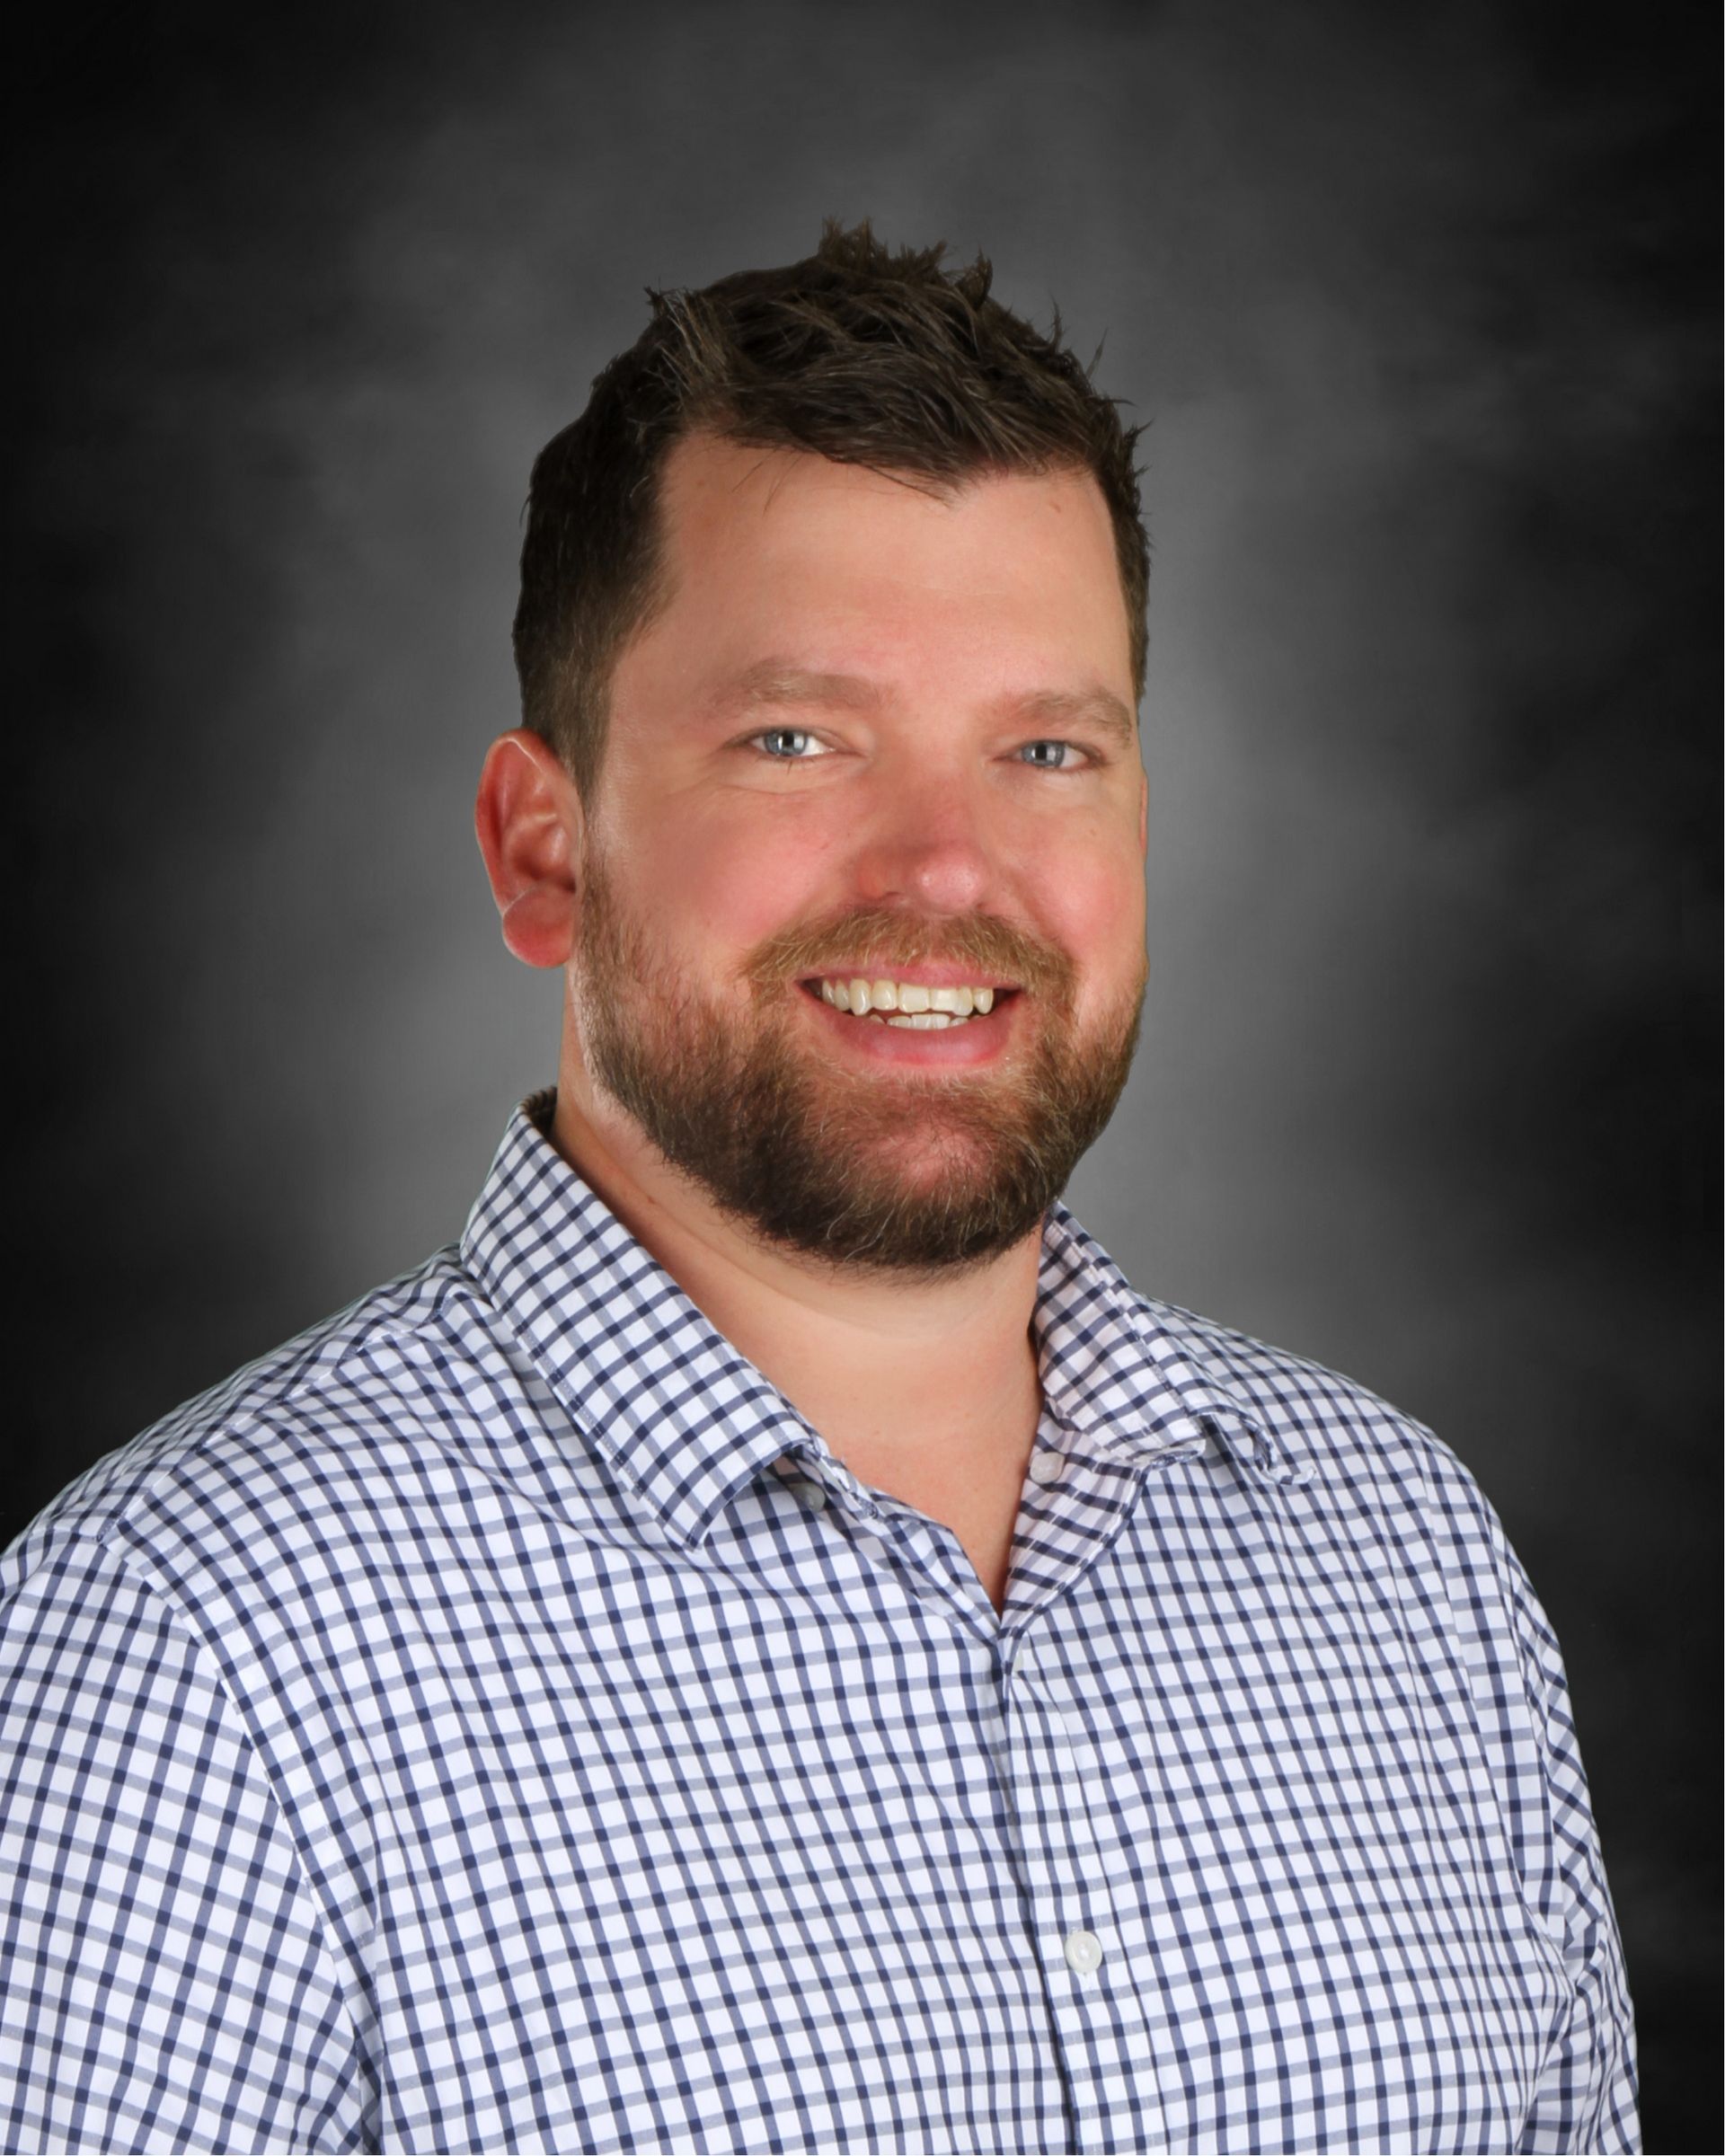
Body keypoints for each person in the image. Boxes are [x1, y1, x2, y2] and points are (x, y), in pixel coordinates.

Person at [0, 222, 1637, 2156]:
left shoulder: (1405, 1563)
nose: (947, 871)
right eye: (797, 740)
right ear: (546, 852)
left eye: (1045, 748)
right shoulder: (183, 1652)